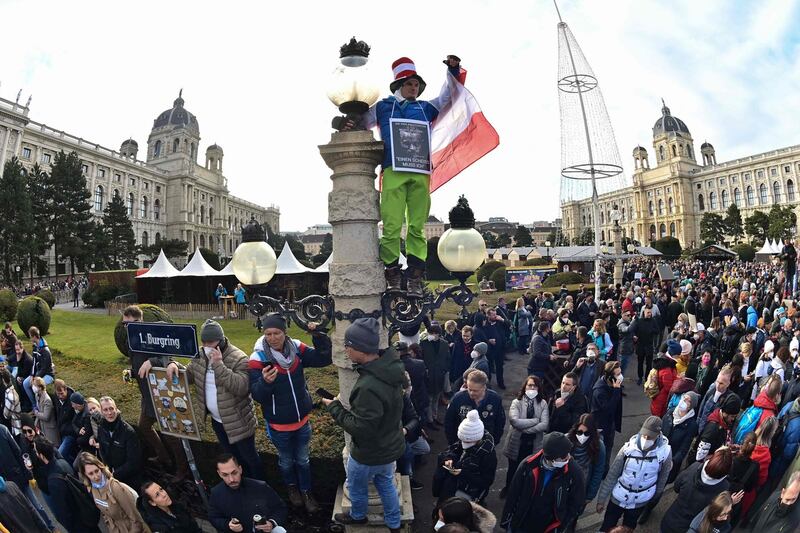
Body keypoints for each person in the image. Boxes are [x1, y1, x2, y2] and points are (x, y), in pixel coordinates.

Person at [348, 55, 466, 297]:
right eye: (410, 84)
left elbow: (448, 96)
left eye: (417, 85)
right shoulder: (383, 107)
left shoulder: (425, 108)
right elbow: (361, 120)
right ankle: (392, 272)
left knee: (416, 227)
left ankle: (414, 275)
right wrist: (348, 121)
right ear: (399, 85)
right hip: (393, 170)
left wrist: (452, 71)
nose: (415, 88)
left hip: (420, 172)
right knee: (391, 225)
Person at [322, 318, 405, 532]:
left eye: (348, 346)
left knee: (356, 486)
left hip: (368, 453)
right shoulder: (390, 370)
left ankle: (358, 516)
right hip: (389, 447)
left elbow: (361, 428)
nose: (346, 350)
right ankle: (394, 523)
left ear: (361, 349)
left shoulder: (369, 386)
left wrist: (334, 407)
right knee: (386, 483)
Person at [246, 315, 331, 507]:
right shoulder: (258, 359)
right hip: (279, 425)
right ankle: (292, 488)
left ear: (285, 333)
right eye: (268, 333)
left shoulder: (297, 349)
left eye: (277, 333)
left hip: (302, 421)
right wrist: (266, 383)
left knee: (303, 460)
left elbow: (324, 358)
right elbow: (257, 394)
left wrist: (318, 335)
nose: (273, 338)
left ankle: (306, 491)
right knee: (286, 462)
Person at [167, 319, 264, 484]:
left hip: (238, 421)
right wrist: (174, 364)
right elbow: (190, 375)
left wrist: (218, 365)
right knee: (231, 459)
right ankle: (240, 487)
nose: (207, 346)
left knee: (249, 459)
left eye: (211, 342)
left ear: (221, 340)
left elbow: (241, 387)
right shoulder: (200, 355)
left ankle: (260, 487)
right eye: (204, 342)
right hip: (218, 422)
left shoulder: (239, 358)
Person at [121, 305, 188, 478]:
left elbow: (168, 357)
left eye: (129, 325)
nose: (127, 328)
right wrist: (132, 373)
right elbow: (138, 364)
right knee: (144, 426)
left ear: (139, 321)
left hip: (161, 393)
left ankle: (182, 469)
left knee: (171, 434)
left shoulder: (151, 336)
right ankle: (164, 458)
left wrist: (152, 360)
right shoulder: (132, 339)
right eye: (124, 325)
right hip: (147, 395)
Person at [596, 416, 673, 531]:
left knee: (629, 527)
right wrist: (601, 500)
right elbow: (612, 474)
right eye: (644, 435)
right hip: (619, 496)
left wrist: (654, 497)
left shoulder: (665, 452)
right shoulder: (628, 448)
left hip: (640, 500)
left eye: (650, 436)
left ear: (658, 435)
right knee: (607, 525)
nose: (645, 439)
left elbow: (662, 478)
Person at [501, 431, 586, 533]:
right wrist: (506, 521)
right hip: (522, 522)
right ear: (551, 458)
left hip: (549, 527)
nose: (568, 457)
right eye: (564, 456)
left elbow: (576, 504)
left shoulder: (575, 473)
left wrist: (562, 525)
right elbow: (513, 495)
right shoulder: (527, 465)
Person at [660, 447, 739, 533]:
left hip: (670, 520)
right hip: (689, 528)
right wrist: (729, 502)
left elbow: (676, 487)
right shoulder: (723, 488)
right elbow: (716, 513)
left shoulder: (694, 467)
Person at [34, 435, 102, 533]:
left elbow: (64, 513)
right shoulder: (62, 462)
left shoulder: (53, 481)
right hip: (86, 515)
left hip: (78, 524)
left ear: (42, 455)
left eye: (36, 451)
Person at [208, 453, 288, 533]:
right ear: (219, 474)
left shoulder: (260, 487)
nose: (231, 479)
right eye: (225, 475)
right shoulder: (216, 493)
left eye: (234, 473)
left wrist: (271, 523)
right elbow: (214, 518)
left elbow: (280, 508)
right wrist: (228, 525)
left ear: (240, 469)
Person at [434, 410, 497, 504]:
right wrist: (448, 459)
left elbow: (486, 482)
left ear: (478, 438)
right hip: (453, 488)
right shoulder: (466, 438)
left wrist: (462, 473)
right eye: (462, 440)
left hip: (470, 494)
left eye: (467, 442)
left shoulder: (488, 455)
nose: (464, 444)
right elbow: (450, 451)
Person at [76, 452, 148, 533]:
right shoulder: (92, 489)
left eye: (96, 471)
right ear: (85, 475)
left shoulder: (116, 488)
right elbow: (105, 515)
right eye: (91, 474)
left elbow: (136, 519)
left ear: (100, 467)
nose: (95, 477)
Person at [501, 376, 549, 498]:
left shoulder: (543, 403)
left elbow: (544, 425)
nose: (532, 388)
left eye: (535, 386)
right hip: (517, 443)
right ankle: (509, 489)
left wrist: (525, 429)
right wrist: (535, 421)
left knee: (529, 470)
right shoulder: (516, 402)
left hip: (533, 444)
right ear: (525, 386)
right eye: (529, 385)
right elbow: (515, 421)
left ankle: (523, 491)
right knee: (513, 468)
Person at [444, 370, 505, 445]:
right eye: (469, 389)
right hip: (461, 444)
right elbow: (449, 422)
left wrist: (494, 442)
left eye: (476, 391)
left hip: (485, 444)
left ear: (484, 387)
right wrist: (453, 443)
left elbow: (500, 423)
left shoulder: (495, 399)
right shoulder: (458, 398)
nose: (472, 393)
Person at [95, 396, 143, 490]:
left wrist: (114, 475)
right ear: (101, 411)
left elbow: (134, 462)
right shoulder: (101, 429)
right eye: (105, 410)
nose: (109, 413)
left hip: (130, 478)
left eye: (111, 408)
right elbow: (102, 451)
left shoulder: (128, 431)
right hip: (112, 474)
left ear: (116, 409)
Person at [690, 387, 742, 464]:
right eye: (732, 417)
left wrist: (729, 448)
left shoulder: (723, 423)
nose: (733, 420)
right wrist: (722, 454)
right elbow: (700, 457)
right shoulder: (712, 429)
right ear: (725, 412)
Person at [566, 414, 606, 514]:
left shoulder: (599, 447)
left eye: (586, 433)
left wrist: (590, 495)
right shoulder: (567, 440)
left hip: (583, 488)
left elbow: (598, 472)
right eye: (580, 432)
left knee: (574, 514)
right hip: (565, 484)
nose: (582, 436)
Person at [661, 391, 700, 483]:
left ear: (691, 406)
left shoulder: (692, 425)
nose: (683, 401)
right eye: (684, 398)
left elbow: (684, 448)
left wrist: (672, 462)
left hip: (671, 460)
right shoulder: (670, 413)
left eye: (688, 400)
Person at [591, 361, 623, 469]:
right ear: (610, 376)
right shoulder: (599, 390)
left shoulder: (613, 385)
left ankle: (605, 467)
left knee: (608, 447)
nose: (620, 376)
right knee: (601, 450)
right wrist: (616, 391)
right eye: (617, 374)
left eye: (620, 373)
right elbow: (608, 408)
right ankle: (601, 469)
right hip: (601, 426)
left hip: (610, 423)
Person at [138, 481, 202, 533]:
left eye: (161, 489)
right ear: (152, 502)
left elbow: (194, 527)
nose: (164, 494)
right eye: (157, 495)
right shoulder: (156, 525)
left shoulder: (177, 506)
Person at [421, 322, 451, 425]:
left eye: (434, 333)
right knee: (429, 399)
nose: (432, 335)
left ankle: (434, 416)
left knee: (436, 398)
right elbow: (421, 359)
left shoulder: (444, 344)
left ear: (438, 334)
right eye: (430, 332)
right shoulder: (423, 344)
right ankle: (430, 420)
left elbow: (448, 359)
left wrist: (444, 370)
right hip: (429, 376)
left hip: (439, 376)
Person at [697, 367, 735, 433]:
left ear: (728, 384)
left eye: (721, 383)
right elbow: (702, 406)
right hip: (701, 427)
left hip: (712, 432)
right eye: (717, 381)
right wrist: (698, 421)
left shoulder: (729, 399)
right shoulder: (711, 389)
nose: (717, 385)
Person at [22, 327, 53, 408]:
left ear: (34, 337)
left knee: (35, 387)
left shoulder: (45, 351)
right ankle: (34, 405)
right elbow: (34, 362)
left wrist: (35, 378)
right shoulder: (35, 347)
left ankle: (40, 408)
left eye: (30, 336)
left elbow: (45, 368)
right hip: (38, 373)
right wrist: (32, 375)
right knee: (25, 383)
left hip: (48, 375)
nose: (29, 338)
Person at [31, 376, 60, 445]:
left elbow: (46, 416)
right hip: (42, 428)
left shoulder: (47, 400)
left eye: (34, 385)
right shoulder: (37, 395)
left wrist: (36, 412)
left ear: (40, 387)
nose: (33, 387)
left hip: (50, 430)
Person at [53, 379, 77, 462]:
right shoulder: (56, 398)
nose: (60, 396)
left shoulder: (72, 401)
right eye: (58, 394)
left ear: (66, 389)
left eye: (62, 393)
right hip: (62, 432)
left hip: (70, 434)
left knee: (60, 454)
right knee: (67, 456)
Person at [649, 352, 678, 417]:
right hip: (662, 396)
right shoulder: (667, 370)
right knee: (657, 414)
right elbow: (668, 387)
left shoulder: (662, 364)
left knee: (656, 410)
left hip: (657, 394)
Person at [0, 370, 20, 437]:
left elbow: (6, 415)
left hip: (14, 425)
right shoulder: (10, 389)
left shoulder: (10, 395)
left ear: (3, 380)